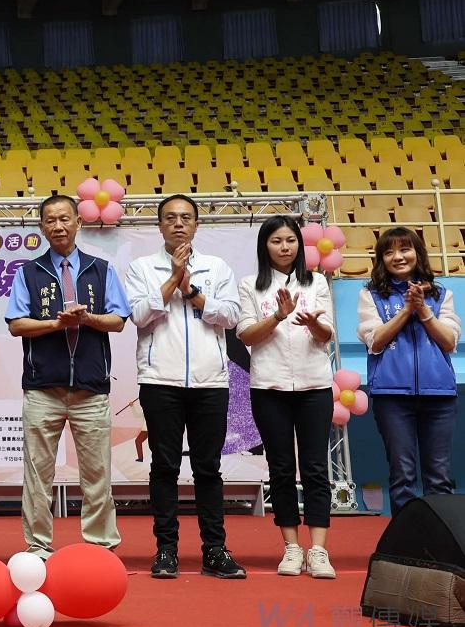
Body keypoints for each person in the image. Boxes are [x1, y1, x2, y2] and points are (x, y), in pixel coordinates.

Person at [125, 194, 246, 580]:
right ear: (159, 225)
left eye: (185, 218)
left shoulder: (217, 267)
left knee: (208, 467)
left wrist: (191, 290)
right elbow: (139, 315)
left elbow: (231, 317)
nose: (178, 224)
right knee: (164, 466)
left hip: (211, 382)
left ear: (196, 224)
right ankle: (166, 550)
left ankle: (215, 549)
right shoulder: (142, 267)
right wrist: (172, 279)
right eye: (170, 218)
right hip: (159, 380)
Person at [5, 195, 129, 558]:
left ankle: (100, 547)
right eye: (50, 220)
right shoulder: (28, 272)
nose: (58, 226)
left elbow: (118, 320)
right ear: (41, 227)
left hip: (91, 389)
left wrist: (87, 319)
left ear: (78, 222)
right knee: (37, 475)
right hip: (43, 389)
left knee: (97, 474)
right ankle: (38, 547)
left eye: (64, 219)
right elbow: (16, 324)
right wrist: (55, 324)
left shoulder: (101, 269)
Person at [235, 217, 336, 579]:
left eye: (290, 240)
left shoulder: (317, 282)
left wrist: (313, 323)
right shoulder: (250, 285)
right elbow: (246, 335)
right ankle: (291, 547)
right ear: (265, 246)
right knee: (280, 468)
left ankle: (319, 549)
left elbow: (327, 335)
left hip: (315, 386)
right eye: (276, 241)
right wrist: (278, 316)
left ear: (299, 245)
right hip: (269, 387)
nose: (284, 247)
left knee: (315, 467)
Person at [358, 227, 459, 516]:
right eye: (389, 252)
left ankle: (440, 539)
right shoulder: (371, 295)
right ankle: (406, 540)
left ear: (417, 253)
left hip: (439, 395)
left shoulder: (441, 294)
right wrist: (405, 310)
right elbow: (375, 341)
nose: (398, 257)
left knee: (439, 477)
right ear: (381, 259)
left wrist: (423, 310)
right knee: (402, 476)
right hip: (391, 396)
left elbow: (449, 341)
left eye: (405, 249)